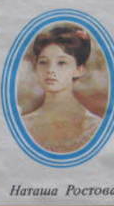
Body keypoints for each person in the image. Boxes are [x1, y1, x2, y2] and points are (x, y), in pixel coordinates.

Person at [21, 25, 102, 154]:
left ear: (79, 70)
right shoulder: (24, 125)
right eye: (43, 62)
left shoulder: (95, 128)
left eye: (61, 63)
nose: (50, 70)